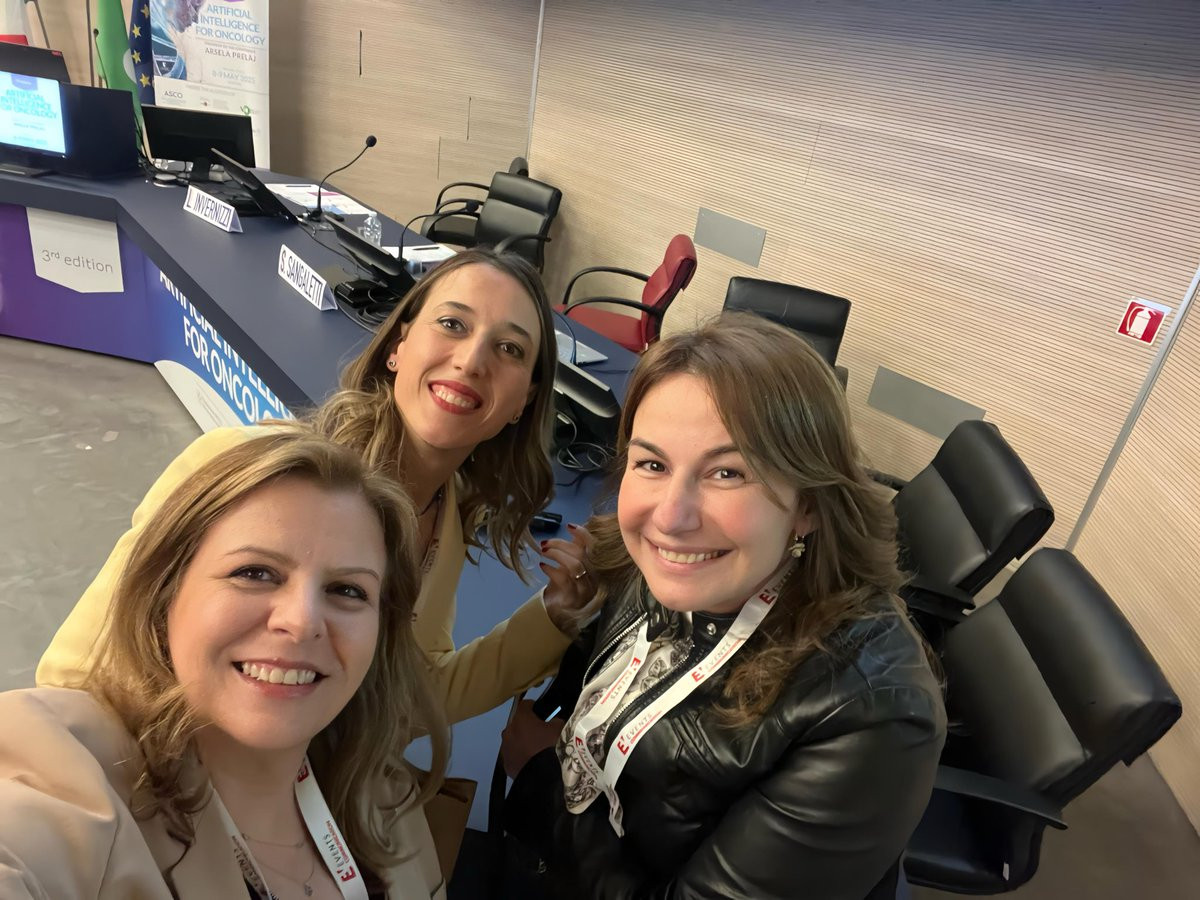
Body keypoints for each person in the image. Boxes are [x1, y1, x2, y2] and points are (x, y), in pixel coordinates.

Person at [500, 314, 947, 899]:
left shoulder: (869, 718)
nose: (670, 517)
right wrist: (574, 619)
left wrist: (540, 783)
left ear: (809, 504)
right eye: (652, 464)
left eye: (727, 473)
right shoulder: (666, 564)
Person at [38, 249, 587, 725]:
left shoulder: (445, 520)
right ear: (398, 346)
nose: (471, 361)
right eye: (452, 324)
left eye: (510, 349)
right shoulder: (237, 468)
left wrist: (553, 616)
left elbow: (406, 697)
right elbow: (79, 677)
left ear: (524, 401)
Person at [0, 428, 449, 898]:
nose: (301, 622)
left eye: (347, 590)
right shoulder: (66, 773)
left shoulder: (388, 803)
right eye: (255, 573)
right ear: (164, 594)